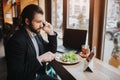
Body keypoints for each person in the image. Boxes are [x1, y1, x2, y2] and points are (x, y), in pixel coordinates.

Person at [5, 4, 57, 80]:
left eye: (42, 22)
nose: (42, 25)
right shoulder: (16, 41)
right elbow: (16, 75)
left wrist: (51, 33)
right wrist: (40, 59)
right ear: (27, 21)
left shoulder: (37, 34)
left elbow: (52, 50)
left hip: (39, 75)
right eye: (38, 22)